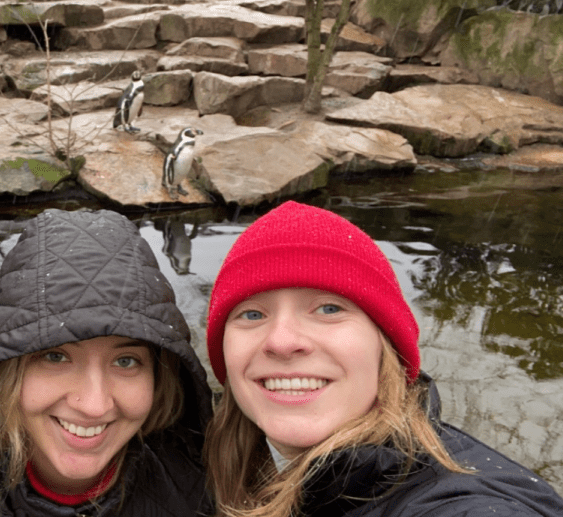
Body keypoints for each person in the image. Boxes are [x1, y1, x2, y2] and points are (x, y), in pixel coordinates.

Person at [203, 200, 563, 517]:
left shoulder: (464, 504)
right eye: (251, 314)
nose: (282, 341)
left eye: (329, 309)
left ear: (385, 346)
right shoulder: (221, 456)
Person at [0, 209, 214, 516]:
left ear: (161, 377)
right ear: (3, 370)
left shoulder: (204, 494)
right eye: (55, 356)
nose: (94, 405)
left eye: (126, 361)